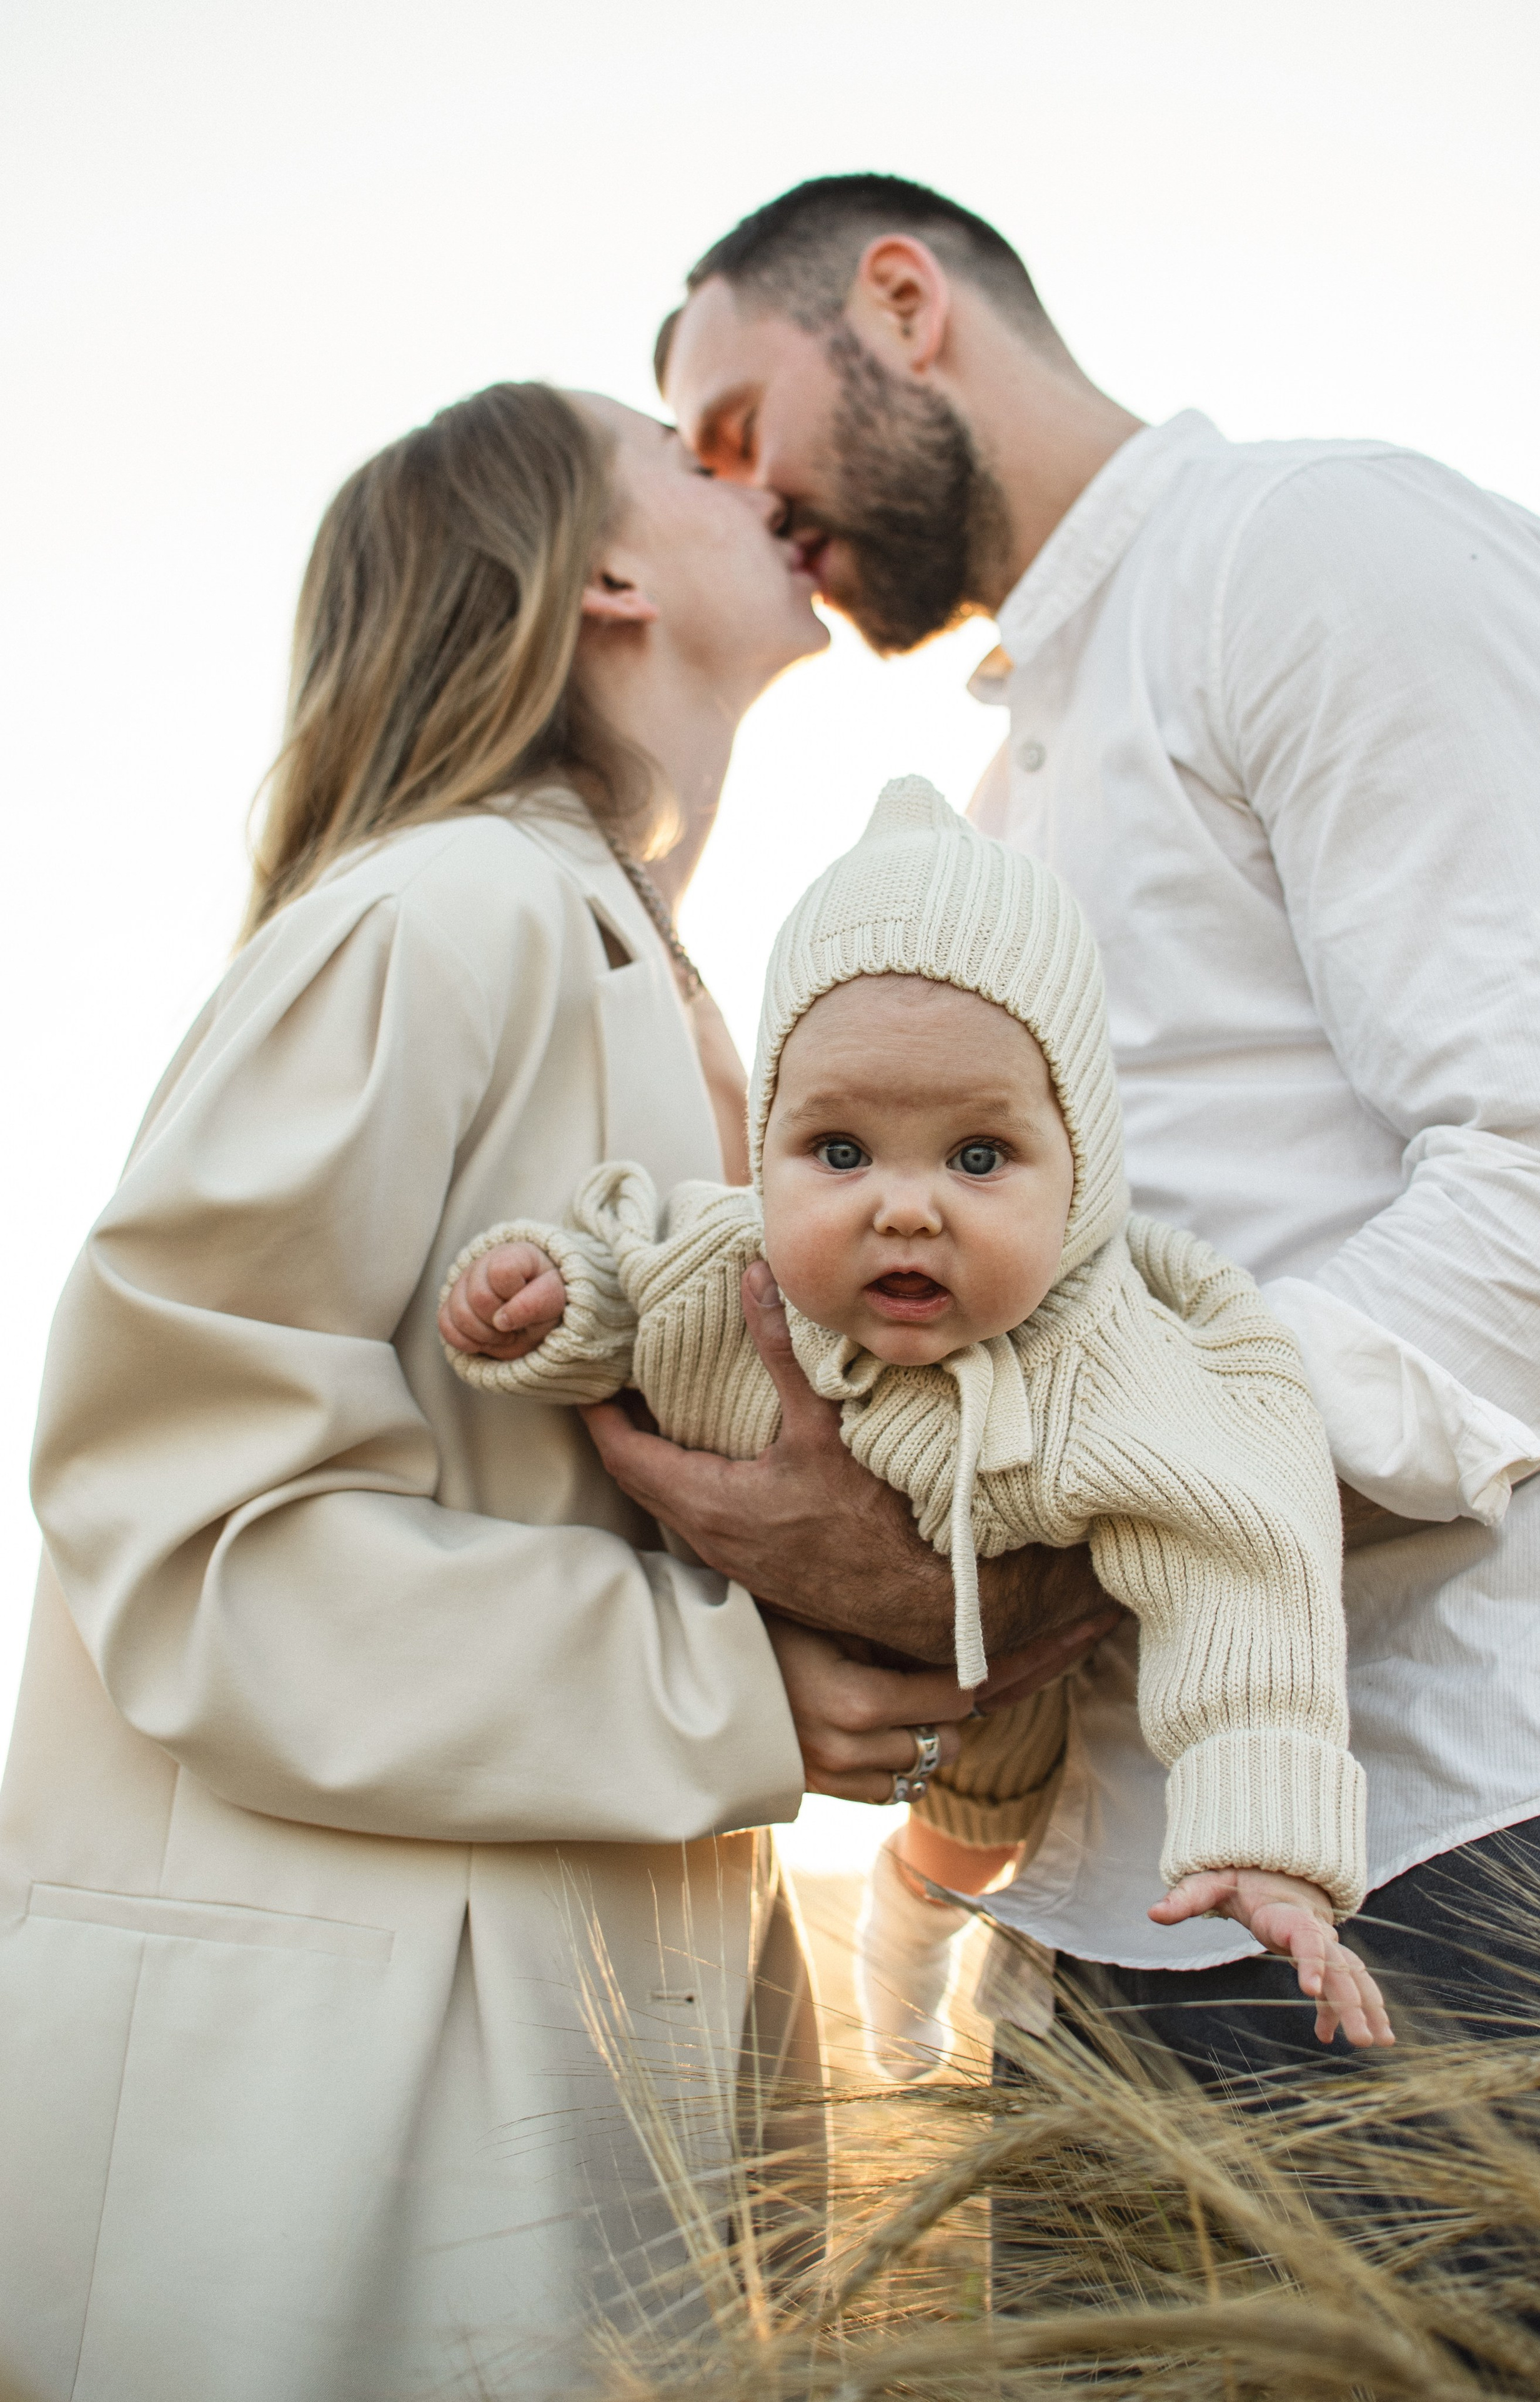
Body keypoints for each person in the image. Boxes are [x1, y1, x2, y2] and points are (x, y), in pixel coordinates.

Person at [0, 378, 1111, 2402]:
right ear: (604, 577)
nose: (754, 475)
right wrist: (738, 1692)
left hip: (592, 2066)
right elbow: (185, 1527)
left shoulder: (662, 976)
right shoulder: (439, 915)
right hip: (350, 2129)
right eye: (690, 461)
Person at [640, 174, 1540, 2084]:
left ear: (903, 305)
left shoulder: (1319, 547)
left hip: (1472, 1842)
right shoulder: (994, 801)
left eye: (739, 427)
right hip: (1097, 1923)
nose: (739, 503)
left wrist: (1046, 1549)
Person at [441, 776, 1392, 2060]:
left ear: (1081, 1167)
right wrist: (545, 1304)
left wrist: (1266, 1846)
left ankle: (912, 1913)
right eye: (838, 1150)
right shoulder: (733, 1270)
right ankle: (897, 1911)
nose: (903, 1206)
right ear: (767, 1140)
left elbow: (1241, 1565)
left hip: (996, 1706)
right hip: (756, 1685)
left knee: (975, 1823)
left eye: (977, 1157)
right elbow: (621, 1282)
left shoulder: (1105, 1356)